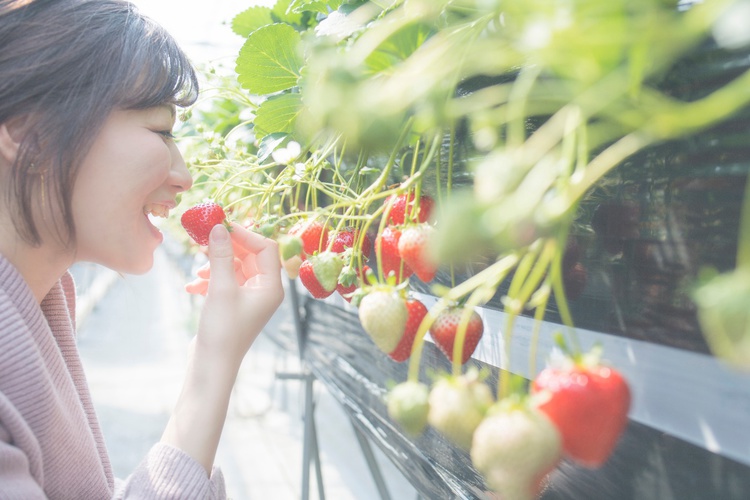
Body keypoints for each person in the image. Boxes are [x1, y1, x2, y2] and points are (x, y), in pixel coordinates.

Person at [0, 0, 284, 498]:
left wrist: (214, 356)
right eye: (160, 132)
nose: (185, 177)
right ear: (31, 134)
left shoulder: (41, 302)